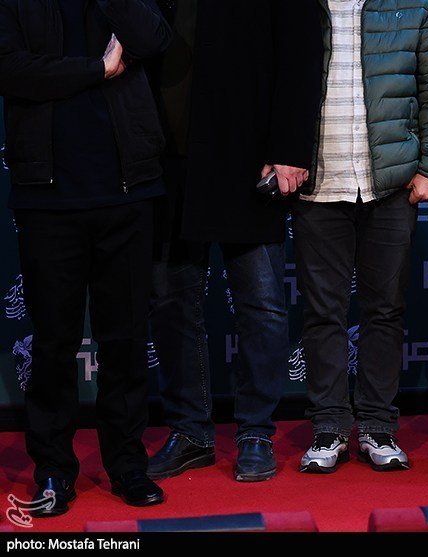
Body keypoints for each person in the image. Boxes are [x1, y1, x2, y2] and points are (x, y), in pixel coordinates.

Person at [0, 0, 171, 515]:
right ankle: (54, 469)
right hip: (47, 196)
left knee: (125, 339)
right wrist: (96, 69)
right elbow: (11, 70)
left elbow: (153, 38)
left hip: (128, 191)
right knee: (54, 342)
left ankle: (128, 464)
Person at [145, 1, 323, 483]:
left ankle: (256, 433)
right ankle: (190, 432)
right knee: (170, 301)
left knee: (261, 304)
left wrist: (289, 148)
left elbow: (302, 54)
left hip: (247, 159)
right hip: (167, 161)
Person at [293, 0, 428, 474]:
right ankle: (328, 427)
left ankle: (377, 426)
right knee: (322, 313)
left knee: (385, 310)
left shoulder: (418, 4)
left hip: (390, 184)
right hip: (316, 184)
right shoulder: (298, 7)